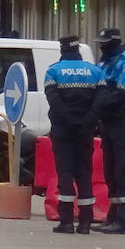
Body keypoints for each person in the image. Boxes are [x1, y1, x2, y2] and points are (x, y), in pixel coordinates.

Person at [43, 36, 107, 235]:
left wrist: (69, 121)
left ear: (62, 50)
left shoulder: (53, 71)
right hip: (85, 130)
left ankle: (67, 221)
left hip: (63, 131)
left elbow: (54, 101)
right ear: (78, 50)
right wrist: (87, 120)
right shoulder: (95, 72)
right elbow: (101, 100)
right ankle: (86, 222)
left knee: (65, 173)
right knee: (84, 173)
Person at [96, 28, 125, 234]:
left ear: (114, 43)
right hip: (108, 120)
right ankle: (113, 215)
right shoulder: (103, 63)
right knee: (110, 170)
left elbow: (122, 94)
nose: (101, 46)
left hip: (123, 120)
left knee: (123, 168)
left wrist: (98, 104)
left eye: (105, 43)